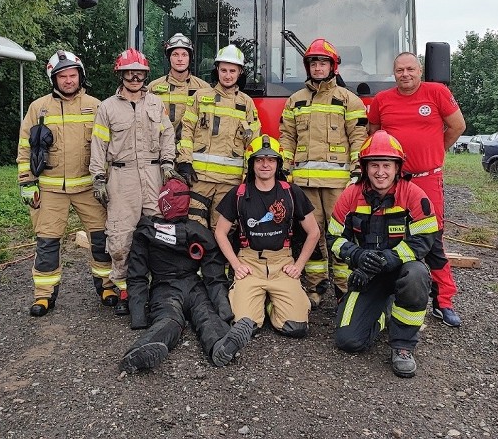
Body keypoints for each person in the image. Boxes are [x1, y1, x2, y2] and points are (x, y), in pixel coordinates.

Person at [366, 52, 467, 327]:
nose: (405, 74)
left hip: (427, 179)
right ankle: (389, 294)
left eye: (410, 69)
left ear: (419, 70)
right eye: (400, 70)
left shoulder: (437, 92)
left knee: (433, 239)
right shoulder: (382, 100)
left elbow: (458, 126)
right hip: (393, 182)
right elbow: (374, 135)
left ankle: (443, 301)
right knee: (387, 234)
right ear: (394, 73)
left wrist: (436, 152)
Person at [327, 131, 439, 378]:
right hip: (367, 273)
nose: (380, 172)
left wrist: (391, 258)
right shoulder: (350, 195)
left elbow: (425, 239)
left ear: (397, 168)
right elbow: (334, 237)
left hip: (401, 269)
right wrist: (356, 255)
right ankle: (382, 312)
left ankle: (403, 346)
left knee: (417, 274)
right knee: (348, 341)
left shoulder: (413, 194)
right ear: (364, 168)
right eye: (374, 165)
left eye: (386, 165)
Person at [119, 178, 256, 373]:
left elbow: (137, 275)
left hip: (167, 288)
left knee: (172, 319)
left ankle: (219, 346)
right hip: (190, 287)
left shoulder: (147, 230)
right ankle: (219, 343)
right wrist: (224, 311)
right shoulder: (199, 232)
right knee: (201, 316)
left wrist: (139, 315)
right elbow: (214, 277)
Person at [17, 50, 112, 316]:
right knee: (47, 242)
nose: (68, 80)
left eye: (72, 75)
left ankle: (107, 286)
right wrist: (27, 182)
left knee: (101, 238)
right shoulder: (39, 108)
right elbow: (25, 147)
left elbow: (109, 148)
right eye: (62, 76)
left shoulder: (97, 107)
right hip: (49, 189)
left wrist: (108, 182)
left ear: (80, 76)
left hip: (88, 188)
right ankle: (44, 295)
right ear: (53, 79)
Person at [279, 39, 368, 308]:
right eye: (313, 63)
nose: (318, 68)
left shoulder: (349, 101)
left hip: (338, 187)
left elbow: (359, 139)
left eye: (323, 63)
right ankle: (315, 287)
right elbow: (287, 138)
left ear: (333, 66)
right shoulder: (295, 101)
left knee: (340, 237)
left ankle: (344, 290)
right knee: (311, 236)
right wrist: (284, 170)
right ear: (308, 67)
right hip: (305, 184)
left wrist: (357, 173)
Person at [90, 48, 177, 316]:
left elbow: (167, 134)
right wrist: (98, 177)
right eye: (129, 73)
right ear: (121, 74)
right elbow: (99, 144)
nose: (135, 78)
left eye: (139, 73)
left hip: (153, 175)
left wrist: (168, 163)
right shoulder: (107, 107)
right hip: (121, 177)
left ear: (145, 75)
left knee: (158, 233)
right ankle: (127, 291)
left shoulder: (155, 103)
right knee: (121, 237)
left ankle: (156, 286)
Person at [213, 135, 320, 338]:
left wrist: (298, 267)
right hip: (250, 264)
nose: (265, 164)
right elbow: (220, 232)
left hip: (282, 264)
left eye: (270, 159)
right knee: (245, 326)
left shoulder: (291, 192)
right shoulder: (238, 193)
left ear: (278, 163)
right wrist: (236, 265)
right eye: (259, 160)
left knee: (295, 327)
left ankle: (271, 304)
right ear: (251, 163)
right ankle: (257, 302)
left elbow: (314, 232)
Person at [177, 44, 261, 229]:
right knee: (194, 227)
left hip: (229, 183)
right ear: (217, 70)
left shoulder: (246, 103)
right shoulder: (200, 97)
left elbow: (254, 143)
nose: (228, 75)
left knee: (223, 230)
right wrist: (184, 162)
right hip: (200, 179)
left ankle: (220, 260)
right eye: (223, 70)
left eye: (232, 70)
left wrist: (249, 176)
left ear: (240, 72)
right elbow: (186, 131)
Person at [148, 33, 210, 148]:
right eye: (175, 54)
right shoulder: (153, 88)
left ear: (190, 58)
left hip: (192, 153)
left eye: (184, 55)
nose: (180, 59)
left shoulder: (204, 89)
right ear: (168, 57)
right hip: (160, 152)